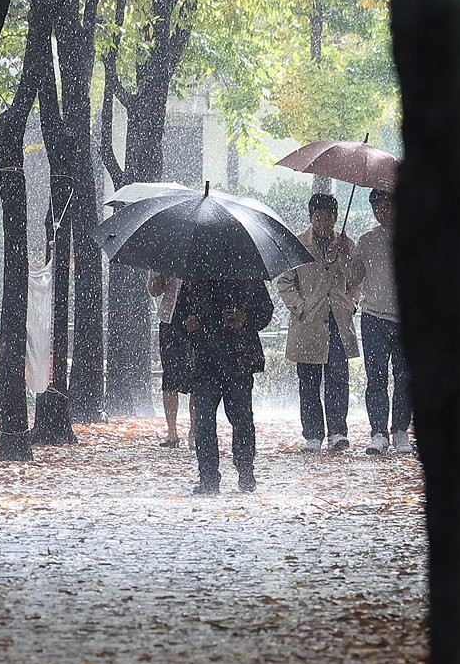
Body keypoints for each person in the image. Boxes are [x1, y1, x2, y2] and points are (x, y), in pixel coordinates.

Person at [277, 193, 362, 453]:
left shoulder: (347, 245)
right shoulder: (297, 245)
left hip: (337, 320)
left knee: (338, 378)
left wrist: (346, 258)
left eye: (328, 217)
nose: (323, 222)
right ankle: (313, 434)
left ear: (336, 218)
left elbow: (356, 280)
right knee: (309, 381)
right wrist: (300, 308)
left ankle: (338, 431)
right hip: (308, 323)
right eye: (318, 217)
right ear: (311, 217)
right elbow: (285, 282)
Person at [178, 278, 274, 494]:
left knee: (241, 418)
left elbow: (265, 311)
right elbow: (179, 314)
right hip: (205, 360)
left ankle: (245, 469)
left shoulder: (248, 276)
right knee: (204, 421)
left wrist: (245, 319)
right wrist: (187, 323)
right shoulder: (195, 276)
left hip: (239, 359)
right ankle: (209, 476)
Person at [349, 188, 412, 454]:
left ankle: (400, 430)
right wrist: (345, 253)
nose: (381, 212)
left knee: (405, 377)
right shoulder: (366, 241)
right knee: (375, 378)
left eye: (386, 206)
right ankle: (378, 432)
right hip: (373, 317)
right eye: (376, 208)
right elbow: (352, 279)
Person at [147, 271, 191, 448]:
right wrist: (158, 274)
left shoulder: (204, 251)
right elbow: (153, 291)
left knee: (197, 376)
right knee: (170, 376)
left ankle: (195, 431)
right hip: (170, 320)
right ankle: (172, 432)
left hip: (199, 319)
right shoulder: (166, 253)